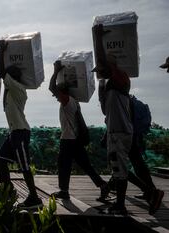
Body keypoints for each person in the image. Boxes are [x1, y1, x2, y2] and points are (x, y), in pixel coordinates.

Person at [48, 60, 109, 201]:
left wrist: (56, 70)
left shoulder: (67, 101)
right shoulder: (73, 101)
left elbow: (52, 87)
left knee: (63, 165)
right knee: (85, 165)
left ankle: (64, 191)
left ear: (62, 93)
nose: (56, 97)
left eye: (57, 94)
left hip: (68, 140)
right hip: (75, 140)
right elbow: (54, 90)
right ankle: (103, 185)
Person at [0, 40, 43, 209]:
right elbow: (2, 74)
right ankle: (9, 190)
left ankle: (34, 198)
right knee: (1, 160)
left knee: (24, 166)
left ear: (13, 77)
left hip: (20, 132)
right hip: (14, 132)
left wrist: (1, 51)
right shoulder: (11, 89)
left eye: (9, 73)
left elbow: (0, 71)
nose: (5, 77)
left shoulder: (18, 88)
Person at [93, 24, 133, 215]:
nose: (99, 72)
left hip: (120, 131)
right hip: (114, 130)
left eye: (101, 69)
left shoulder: (120, 78)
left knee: (121, 169)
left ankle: (121, 204)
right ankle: (120, 200)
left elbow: (102, 62)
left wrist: (98, 38)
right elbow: (105, 111)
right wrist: (101, 87)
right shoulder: (110, 85)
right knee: (117, 167)